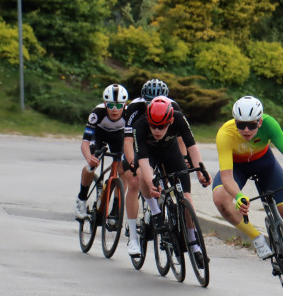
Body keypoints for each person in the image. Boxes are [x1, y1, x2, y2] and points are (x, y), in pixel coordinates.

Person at [211, 96, 283, 293]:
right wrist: (238, 196)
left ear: (260, 121)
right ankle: (257, 238)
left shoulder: (270, 124)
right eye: (241, 125)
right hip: (237, 168)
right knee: (221, 199)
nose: (246, 130)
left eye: (252, 125)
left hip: (265, 164)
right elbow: (227, 176)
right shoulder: (224, 134)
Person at [132, 96, 211, 261]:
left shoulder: (179, 119)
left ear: (171, 121)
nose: (157, 130)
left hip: (171, 153)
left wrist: (200, 171)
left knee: (187, 199)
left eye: (161, 126)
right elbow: (144, 162)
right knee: (144, 179)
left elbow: (192, 147)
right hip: (149, 155)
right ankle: (156, 212)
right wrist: (151, 181)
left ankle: (194, 243)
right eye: (153, 126)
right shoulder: (140, 125)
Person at [122, 79, 184, 256]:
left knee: (169, 173)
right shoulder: (134, 108)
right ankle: (133, 237)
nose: (154, 105)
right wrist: (134, 163)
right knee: (135, 181)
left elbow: (180, 137)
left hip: (160, 146)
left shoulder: (173, 107)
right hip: (136, 146)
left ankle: (166, 211)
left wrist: (184, 159)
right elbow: (127, 141)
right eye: (149, 102)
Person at [75, 83, 129, 220]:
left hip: (118, 136)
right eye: (110, 105)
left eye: (119, 106)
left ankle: (116, 208)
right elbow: (85, 143)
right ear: (105, 104)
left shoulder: (129, 115)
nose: (114, 110)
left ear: (125, 105)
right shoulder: (97, 113)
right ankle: (81, 200)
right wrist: (89, 158)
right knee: (92, 163)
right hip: (99, 135)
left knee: (122, 167)